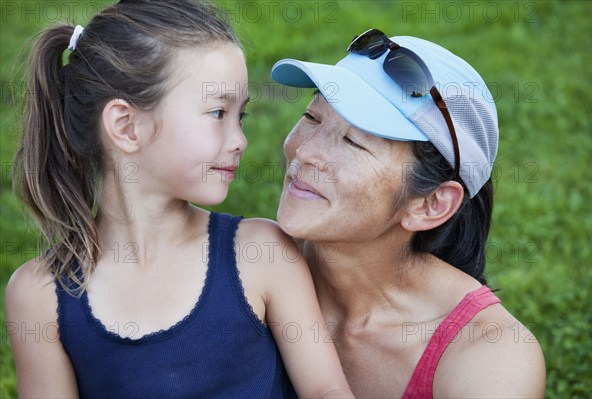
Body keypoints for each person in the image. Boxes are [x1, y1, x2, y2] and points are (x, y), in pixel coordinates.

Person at [5, 1, 355, 397]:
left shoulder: (261, 253)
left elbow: (327, 390)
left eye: (241, 117)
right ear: (126, 126)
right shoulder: (41, 295)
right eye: (217, 113)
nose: (240, 141)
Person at [271, 29, 546, 398]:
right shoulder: (251, 267)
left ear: (430, 204)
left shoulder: (492, 357)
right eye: (312, 117)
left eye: (354, 142)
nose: (305, 152)